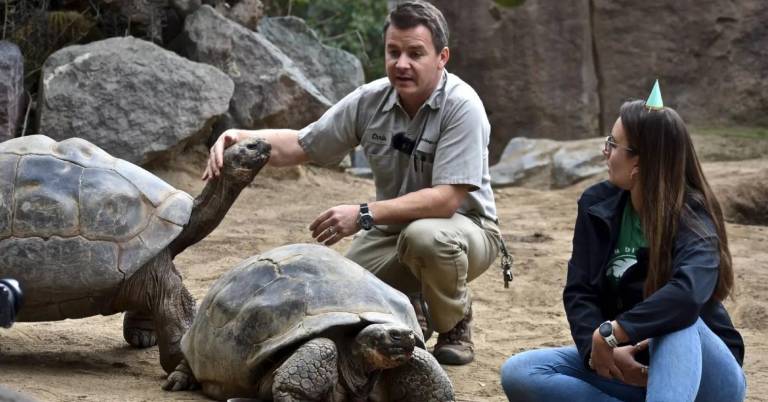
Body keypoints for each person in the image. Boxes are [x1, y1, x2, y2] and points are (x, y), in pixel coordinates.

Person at [203, 1, 501, 366]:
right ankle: (413, 304)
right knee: (341, 294)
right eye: (394, 52)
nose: (401, 63)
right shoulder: (370, 100)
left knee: (426, 238)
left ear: (442, 57)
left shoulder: (462, 106)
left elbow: (446, 200)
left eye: (415, 53)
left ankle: (454, 323)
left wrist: (363, 214)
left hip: (466, 232)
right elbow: (303, 144)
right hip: (389, 232)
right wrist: (243, 137)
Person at [500, 82, 746, 401]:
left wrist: (615, 332)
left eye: (613, 144)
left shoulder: (694, 216)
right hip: (635, 371)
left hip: (708, 381)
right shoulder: (596, 205)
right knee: (521, 371)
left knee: (675, 318)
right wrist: (600, 350)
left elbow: (686, 296)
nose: (606, 151)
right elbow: (580, 291)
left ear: (639, 165)